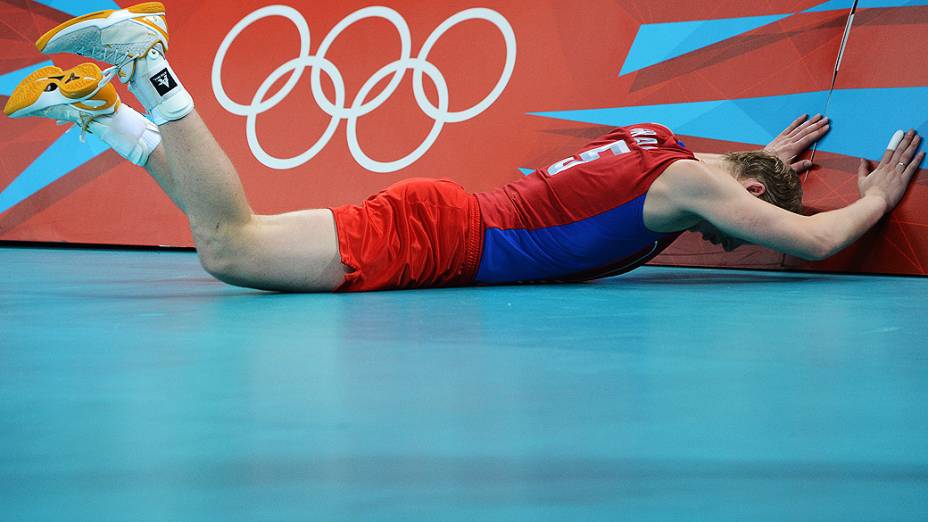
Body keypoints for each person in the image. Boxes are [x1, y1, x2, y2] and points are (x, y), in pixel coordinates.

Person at [4, 3, 924, 292]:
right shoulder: (691, 182)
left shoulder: (666, 149)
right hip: (442, 239)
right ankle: (147, 60)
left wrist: (771, 155)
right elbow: (809, 240)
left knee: (231, 236)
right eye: (736, 223)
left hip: (445, 219)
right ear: (744, 192)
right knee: (230, 245)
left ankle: (100, 116)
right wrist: (875, 195)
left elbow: (731, 180)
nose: (725, 237)